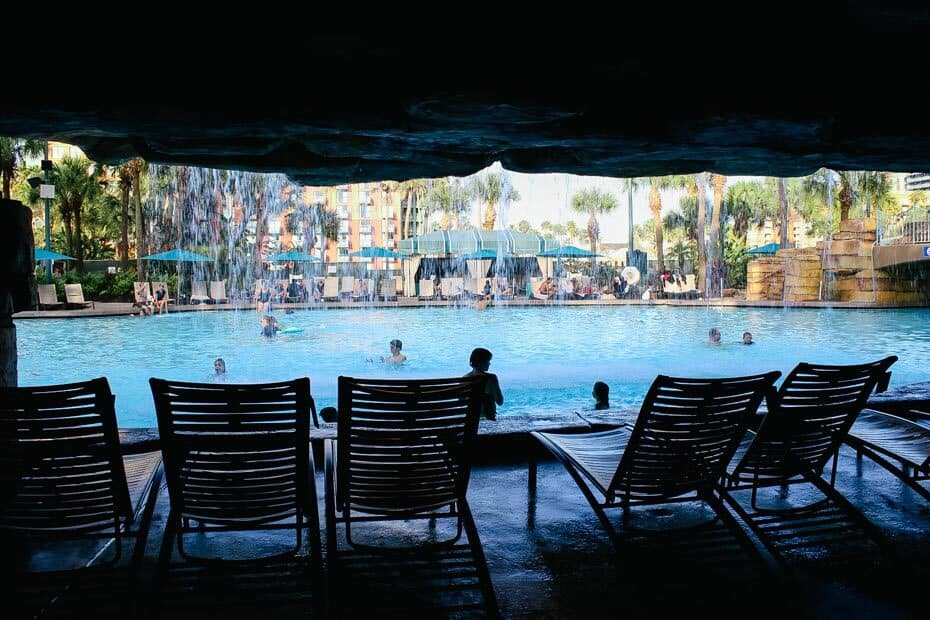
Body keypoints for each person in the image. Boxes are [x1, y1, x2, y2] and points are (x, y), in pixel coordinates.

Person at [465, 347, 503, 420]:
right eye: (488, 361)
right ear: (481, 362)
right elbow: (500, 402)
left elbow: (462, 402)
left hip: (470, 420)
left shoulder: (464, 378)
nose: (489, 363)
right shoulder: (491, 378)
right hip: (488, 419)